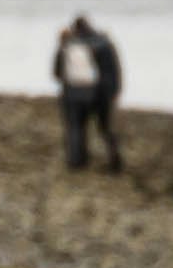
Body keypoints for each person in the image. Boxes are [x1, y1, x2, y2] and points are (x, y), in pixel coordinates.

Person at [50, 13, 126, 173]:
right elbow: (114, 70)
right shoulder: (104, 42)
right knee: (105, 128)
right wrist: (114, 91)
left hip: (73, 93)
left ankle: (77, 162)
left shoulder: (68, 43)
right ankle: (115, 160)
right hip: (102, 92)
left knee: (75, 126)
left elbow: (57, 72)